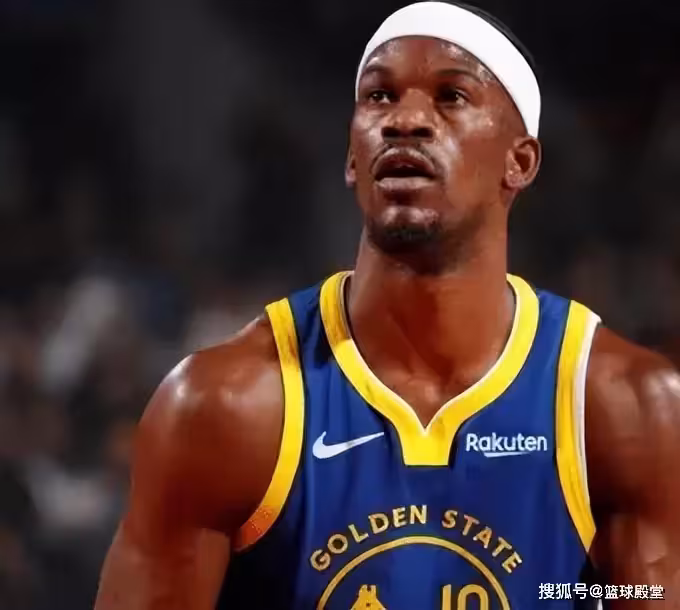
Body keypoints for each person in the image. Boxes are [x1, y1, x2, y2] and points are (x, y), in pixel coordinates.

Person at [94, 2, 680, 608]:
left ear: (519, 162)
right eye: (379, 96)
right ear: (353, 158)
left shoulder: (623, 410)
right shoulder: (223, 407)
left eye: (451, 96)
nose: (406, 120)